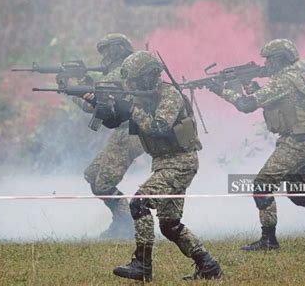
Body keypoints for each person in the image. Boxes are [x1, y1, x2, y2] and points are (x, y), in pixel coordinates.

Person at [209, 39, 305, 251]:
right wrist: (248, 84)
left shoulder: (282, 82)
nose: (266, 64)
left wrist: (220, 90)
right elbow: (269, 100)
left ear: (279, 60)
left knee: (262, 185)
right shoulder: (292, 79)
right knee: (298, 193)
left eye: (269, 59)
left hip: (296, 144)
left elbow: (246, 105)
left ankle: (268, 241)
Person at [90, 51, 222, 281]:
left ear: (147, 77)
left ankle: (142, 265)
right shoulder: (141, 97)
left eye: (133, 80)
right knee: (169, 225)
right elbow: (115, 121)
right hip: (163, 163)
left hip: (180, 163)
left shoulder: (169, 96)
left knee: (139, 204)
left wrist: (131, 108)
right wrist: (97, 103)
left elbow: (158, 126)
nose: (129, 84)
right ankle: (208, 266)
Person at [74, 34, 145, 239]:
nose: (103, 55)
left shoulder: (120, 71)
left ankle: (127, 226)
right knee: (93, 175)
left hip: (129, 132)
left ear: (117, 49)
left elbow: (93, 104)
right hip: (127, 131)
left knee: (103, 183)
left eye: (106, 50)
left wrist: (76, 90)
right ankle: (123, 223)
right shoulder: (131, 68)